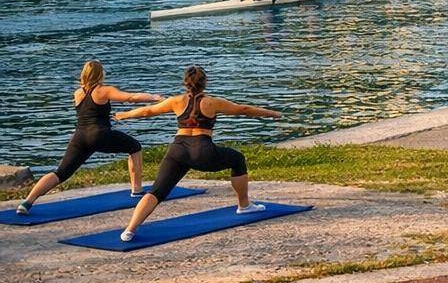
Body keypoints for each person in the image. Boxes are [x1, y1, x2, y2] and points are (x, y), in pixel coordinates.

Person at [115, 66, 281, 242]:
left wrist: (124, 115)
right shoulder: (212, 102)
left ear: (185, 83)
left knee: (156, 191)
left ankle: (129, 230)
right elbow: (243, 109)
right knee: (237, 159)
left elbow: (148, 111)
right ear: (205, 82)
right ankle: (244, 205)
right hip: (203, 151)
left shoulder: (176, 101)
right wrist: (272, 114)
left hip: (177, 151)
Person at [15, 61, 164, 216]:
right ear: (100, 74)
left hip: (79, 137)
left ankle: (27, 202)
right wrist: (156, 97)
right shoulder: (103, 90)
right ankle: (136, 190)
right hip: (100, 135)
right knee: (134, 147)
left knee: (61, 173)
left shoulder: (78, 93)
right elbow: (131, 97)